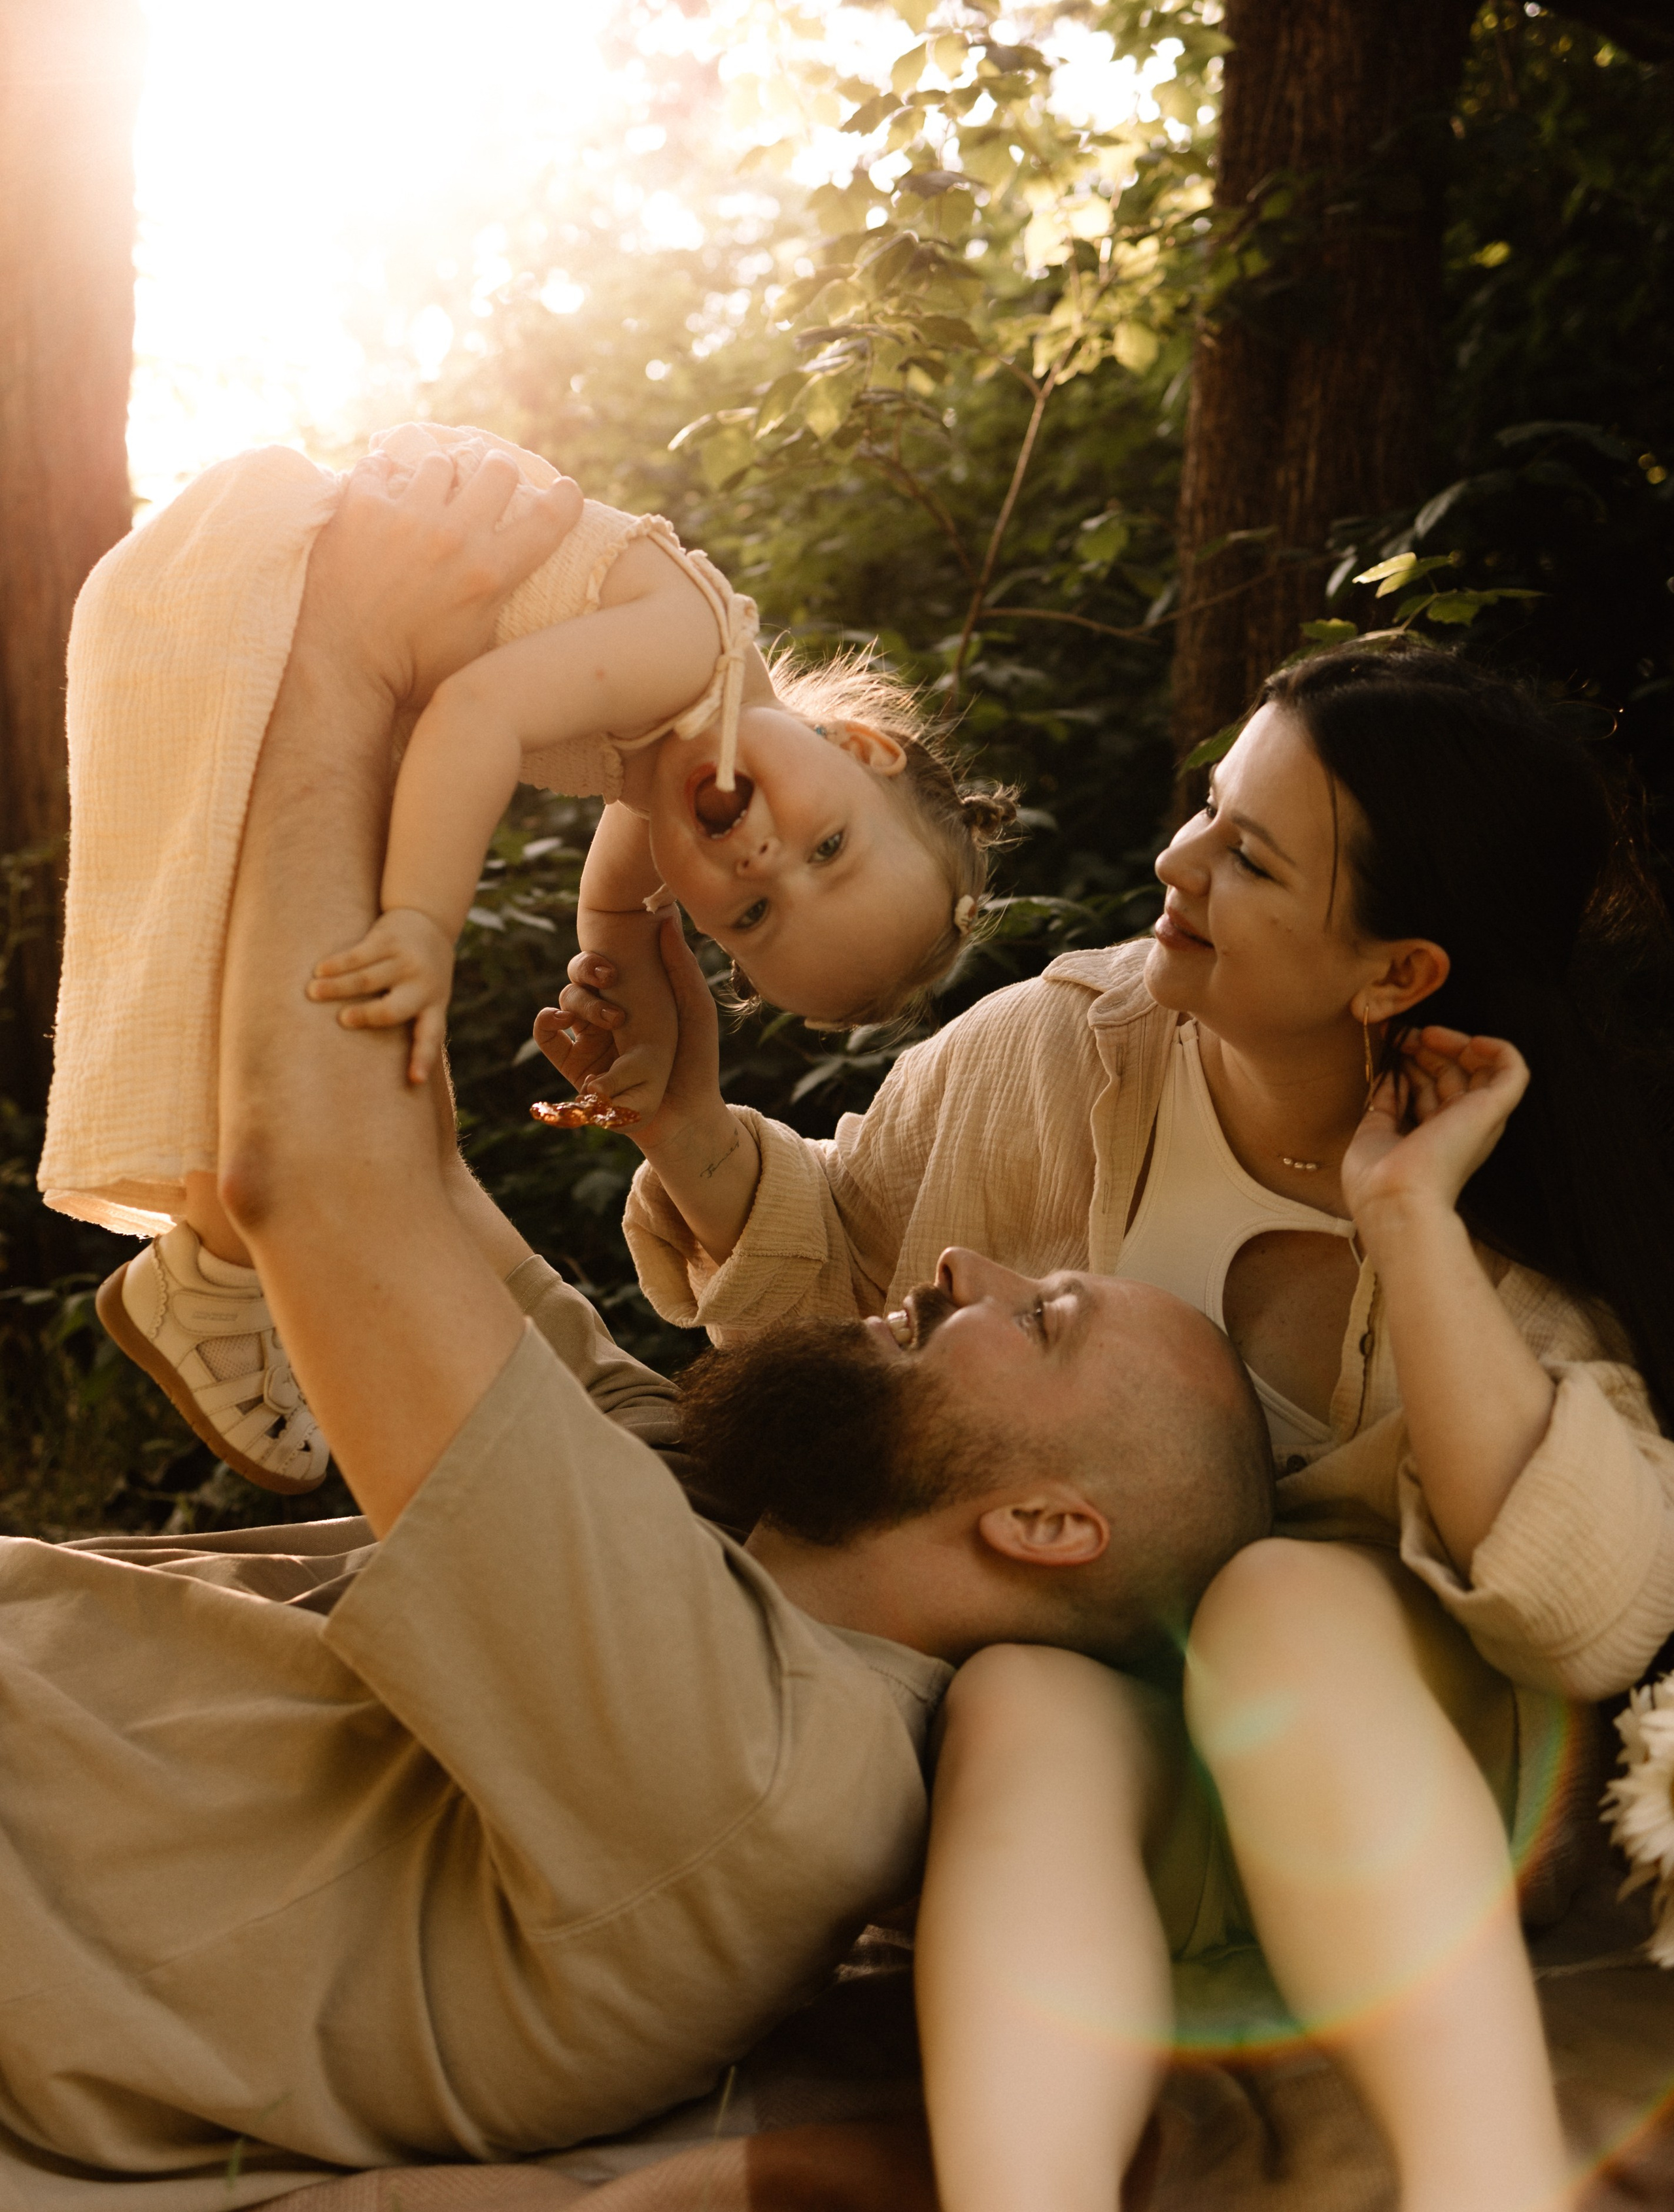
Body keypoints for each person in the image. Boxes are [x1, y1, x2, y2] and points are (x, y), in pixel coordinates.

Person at [0, 450, 1271, 2205]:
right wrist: (680, 1108)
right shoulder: (717, 1527)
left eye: (1043, 1314)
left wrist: (350, 653)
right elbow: (405, 1185)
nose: (965, 1270)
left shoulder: (752, 1759)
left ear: (1047, 1526)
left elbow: (312, 1180)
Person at [556, 639, 1674, 2209]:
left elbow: (1581, 1611)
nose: (1176, 861)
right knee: (1019, 1687)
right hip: (1125, 1797)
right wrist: (683, 1125)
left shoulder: (1502, 1220)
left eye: (1247, 856)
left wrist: (1406, 1214)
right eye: (1210, 808)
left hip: (1384, 1804)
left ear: (1396, 973)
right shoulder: (1060, 1051)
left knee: (1277, 1592)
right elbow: (842, 1261)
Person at [39, 422, 1013, 1496]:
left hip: (284, 607)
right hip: (261, 589)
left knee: (270, 985)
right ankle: (219, 1268)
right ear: (865, 750)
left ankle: (211, 1265)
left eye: (750, 919)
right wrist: (422, 924)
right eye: (829, 847)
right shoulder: (691, 654)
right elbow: (476, 711)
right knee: (318, 980)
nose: (763, 860)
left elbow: (616, 910)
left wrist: (632, 1036)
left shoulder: (676, 753)